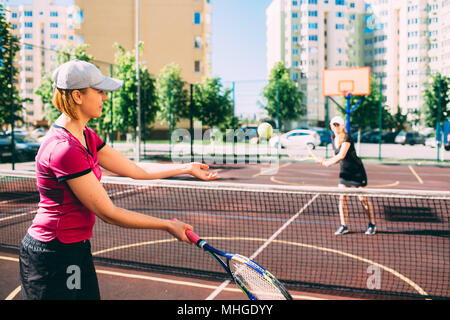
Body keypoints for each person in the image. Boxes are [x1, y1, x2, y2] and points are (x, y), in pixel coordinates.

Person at [19, 60, 219, 300]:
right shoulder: (64, 149)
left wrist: (186, 167)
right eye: (99, 91)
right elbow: (108, 213)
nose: (105, 97)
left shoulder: (86, 136)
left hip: (76, 248)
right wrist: (167, 225)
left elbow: (135, 170)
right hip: (52, 254)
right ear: (77, 96)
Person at [316, 116, 376, 236]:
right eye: (333, 125)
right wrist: (325, 160)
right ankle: (344, 226)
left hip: (357, 172)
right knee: (342, 199)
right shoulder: (333, 137)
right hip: (345, 173)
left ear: (343, 126)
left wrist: (327, 163)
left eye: (338, 124)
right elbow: (336, 156)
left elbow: (342, 155)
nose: (335, 127)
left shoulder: (347, 137)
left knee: (363, 199)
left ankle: (372, 224)